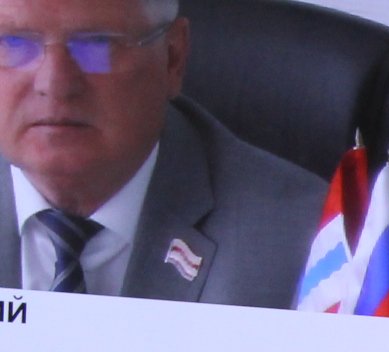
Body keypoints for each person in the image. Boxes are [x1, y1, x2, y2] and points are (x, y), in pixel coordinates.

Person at [0, 0, 325, 307]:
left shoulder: (304, 241)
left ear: (173, 57)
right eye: (13, 44)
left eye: (97, 45)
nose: (54, 84)